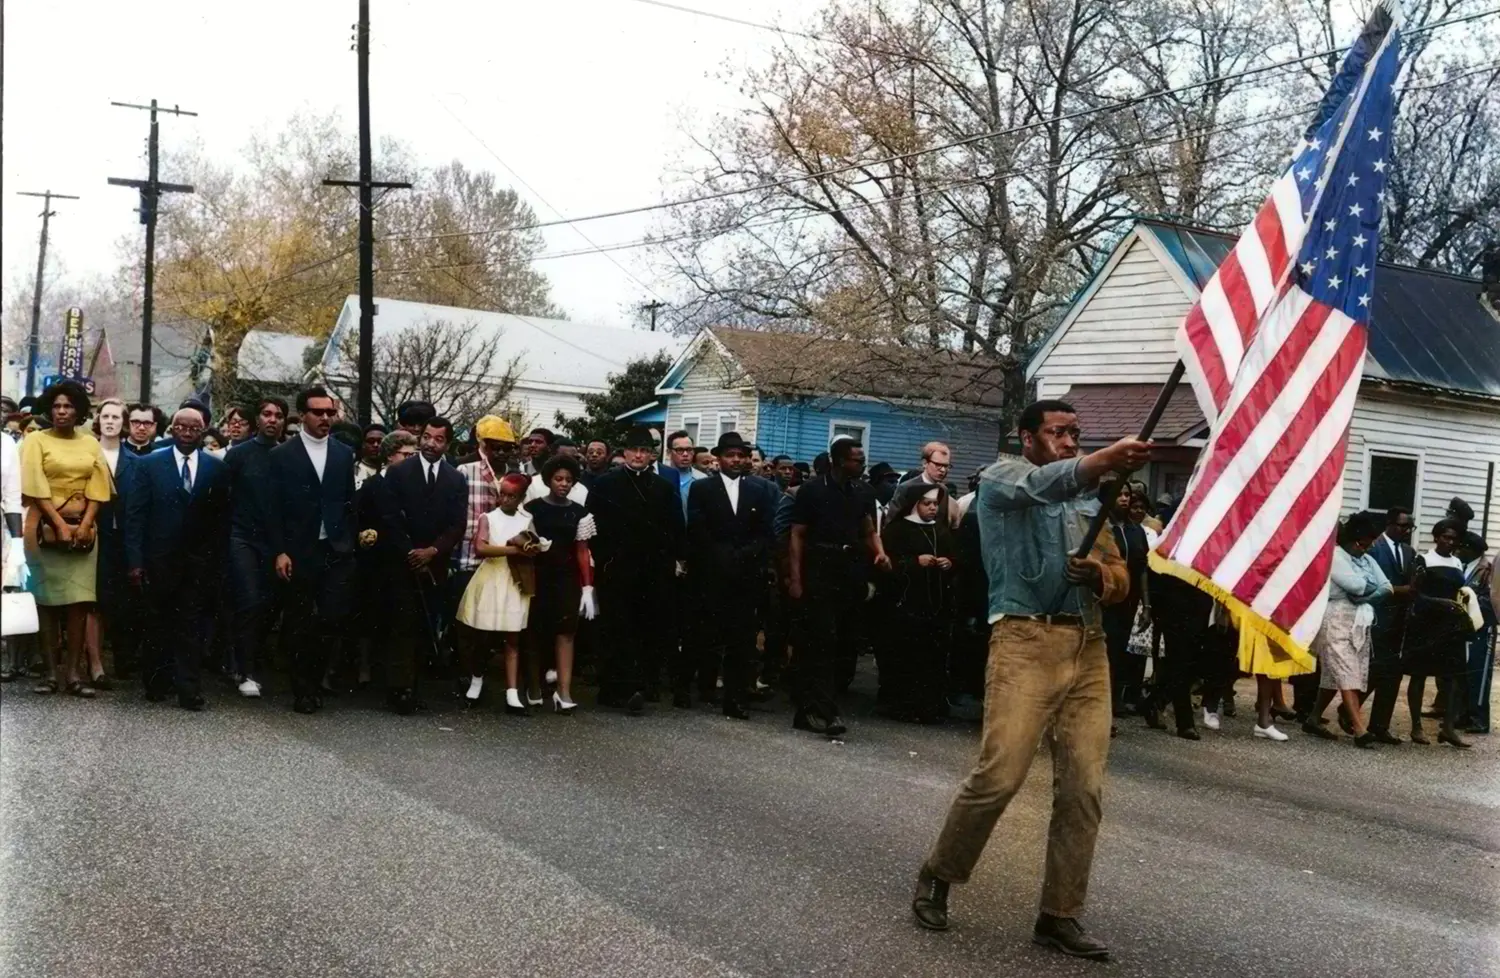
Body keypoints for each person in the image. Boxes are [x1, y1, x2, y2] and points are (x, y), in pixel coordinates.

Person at [911, 399, 1144, 960]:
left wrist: (1101, 576)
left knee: (1083, 790)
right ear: (1027, 438)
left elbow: (1121, 577)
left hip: (1088, 647)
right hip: (1024, 641)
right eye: (1058, 432)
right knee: (1000, 776)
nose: (1069, 441)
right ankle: (939, 873)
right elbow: (1041, 486)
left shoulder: (1093, 500)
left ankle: (1059, 915)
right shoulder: (1002, 479)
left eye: (1076, 433)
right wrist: (1101, 462)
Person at [123, 407, 228, 711]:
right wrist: (135, 561)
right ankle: (156, 682)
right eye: (180, 427)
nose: (186, 432)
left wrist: (216, 561)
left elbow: (221, 520)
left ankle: (189, 689)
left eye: (193, 428)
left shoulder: (215, 468)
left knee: (191, 626)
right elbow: (135, 516)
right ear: (171, 429)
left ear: (203, 431)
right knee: (157, 621)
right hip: (158, 559)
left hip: (198, 562)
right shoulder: (149, 464)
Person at [787, 437, 890, 738]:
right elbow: (797, 536)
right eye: (857, 460)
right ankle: (824, 711)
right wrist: (795, 579)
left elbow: (869, 528)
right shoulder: (812, 490)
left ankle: (808, 708)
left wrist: (879, 552)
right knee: (822, 640)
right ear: (838, 460)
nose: (862, 464)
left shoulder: (863, 491)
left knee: (844, 641)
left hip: (850, 570)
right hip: (819, 569)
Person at [266, 387, 358, 714]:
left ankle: (315, 678)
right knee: (299, 620)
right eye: (317, 412)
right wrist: (280, 551)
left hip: (336, 549)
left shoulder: (343, 453)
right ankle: (302, 689)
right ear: (303, 415)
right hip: (298, 550)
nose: (324, 418)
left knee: (332, 617)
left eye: (329, 413)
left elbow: (348, 502)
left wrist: (348, 542)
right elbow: (273, 509)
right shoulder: (281, 455)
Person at [20, 381, 113, 698]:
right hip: (43, 529)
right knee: (45, 602)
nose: (62, 411)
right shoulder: (35, 440)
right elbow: (33, 484)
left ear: (79, 411)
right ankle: (49, 673)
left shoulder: (90, 443)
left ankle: (74, 675)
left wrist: (86, 523)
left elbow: (99, 487)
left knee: (79, 603)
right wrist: (58, 523)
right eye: (57, 406)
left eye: (69, 406)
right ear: (50, 408)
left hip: (83, 531)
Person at [377, 415, 467, 712]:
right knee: (402, 624)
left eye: (438, 439)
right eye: (427, 436)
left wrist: (432, 551)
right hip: (402, 562)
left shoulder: (455, 479)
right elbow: (389, 518)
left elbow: (457, 525)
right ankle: (398, 690)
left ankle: (415, 687)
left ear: (447, 443)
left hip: (435, 563)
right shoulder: (400, 472)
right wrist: (412, 553)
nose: (430, 443)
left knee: (425, 625)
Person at [587, 425, 680, 713]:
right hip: (616, 569)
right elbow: (592, 527)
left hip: (652, 571)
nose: (638, 455)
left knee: (647, 627)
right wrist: (604, 561)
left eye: (644, 451)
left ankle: (640, 686)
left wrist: (671, 562)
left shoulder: (664, 488)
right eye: (633, 450)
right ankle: (613, 688)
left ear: (652, 455)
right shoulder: (605, 484)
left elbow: (675, 529)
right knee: (616, 628)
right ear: (624, 452)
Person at [685, 432, 776, 719]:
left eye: (741, 455)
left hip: (746, 574)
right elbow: (698, 529)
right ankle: (695, 687)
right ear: (719, 458)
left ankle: (735, 698)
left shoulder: (760, 490)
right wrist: (720, 556)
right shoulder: (703, 489)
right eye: (730, 455)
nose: (736, 460)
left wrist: (745, 555)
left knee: (742, 638)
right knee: (704, 633)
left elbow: (765, 531)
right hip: (711, 572)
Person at [1301, 511, 1392, 747]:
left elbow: (1386, 587)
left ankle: (1313, 718)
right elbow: (1356, 584)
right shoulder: (1336, 556)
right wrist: (1367, 589)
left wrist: (1365, 594)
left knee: (1334, 675)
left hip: (1358, 620)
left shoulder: (1367, 559)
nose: (1365, 549)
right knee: (1346, 672)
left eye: (1369, 544)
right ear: (1351, 539)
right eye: (1362, 543)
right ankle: (1360, 730)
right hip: (1335, 619)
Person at [456, 472, 540, 714]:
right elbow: (481, 547)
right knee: (483, 634)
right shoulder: (488, 518)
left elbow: (533, 545)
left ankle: (512, 692)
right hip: (491, 579)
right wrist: (514, 551)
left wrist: (533, 547)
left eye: (511, 496)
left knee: (512, 638)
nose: (504, 500)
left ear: (522, 497)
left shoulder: (527, 519)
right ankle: (477, 679)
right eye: (502, 494)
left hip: (514, 582)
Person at [223, 397, 287, 698]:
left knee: (269, 604)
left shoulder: (290, 456)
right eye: (266, 414)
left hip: (277, 542)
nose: (272, 420)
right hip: (241, 537)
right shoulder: (239, 455)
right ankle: (243, 670)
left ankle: (248, 660)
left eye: (278, 415)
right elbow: (222, 499)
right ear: (258, 419)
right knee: (247, 600)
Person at [878, 481, 957, 724]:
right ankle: (902, 706)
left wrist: (948, 563)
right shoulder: (897, 529)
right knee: (906, 657)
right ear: (914, 505)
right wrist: (914, 562)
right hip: (907, 605)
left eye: (936, 503)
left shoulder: (941, 530)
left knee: (931, 658)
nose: (933, 508)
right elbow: (887, 566)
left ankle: (929, 707)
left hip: (935, 605)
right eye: (928, 503)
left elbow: (956, 559)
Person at [524, 454, 596, 713]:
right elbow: (524, 542)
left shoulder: (579, 512)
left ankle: (563, 691)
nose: (563, 484)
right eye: (558, 479)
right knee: (533, 632)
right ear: (548, 480)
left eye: (569, 480)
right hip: (537, 575)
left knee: (566, 632)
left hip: (566, 578)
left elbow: (582, 551)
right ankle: (533, 686)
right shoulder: (532, 508)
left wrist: (587, 586)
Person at [1402, 519, 1473, 748]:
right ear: (1436, 537)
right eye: (1445, 537)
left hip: (1450, 628)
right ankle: (1416, 727)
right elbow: (1415, 594)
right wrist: (1441, 604)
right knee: (1420, 675)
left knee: (1453, 678)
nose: (1449, 542)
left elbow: (1459, 593)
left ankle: (1448, 728)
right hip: (1426, 625)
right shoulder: (1424, 560)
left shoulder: (1457, 563)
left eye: (1453, 538)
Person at [1363, 506, 1416, 742]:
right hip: (1377, 617)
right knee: (1375, 669)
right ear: (1390, 524)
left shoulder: (1409, 552)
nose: (1406, 530)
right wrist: (1398, 590)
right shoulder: (1374, 548)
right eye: (1403, 526)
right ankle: (1348, 710)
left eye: (1409, 527)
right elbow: (1369, 584)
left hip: (1400, 622)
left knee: (1393, 673)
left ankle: (1380, 725)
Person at [89, 398, 132, 686]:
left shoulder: (136, 461)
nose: (110, 421)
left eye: (116, 417)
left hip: (123, 537)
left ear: (123, 422)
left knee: (119, 600)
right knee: (92, 600)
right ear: (98, 420)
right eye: (105, 416)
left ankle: (123, 660)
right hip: (92, 534)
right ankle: (95, 665)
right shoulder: (87, 453)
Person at [1102, 478, 1148, 721]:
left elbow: (1142, 568)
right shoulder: (1102, 527)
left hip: (1129, 601)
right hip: (1105, 600)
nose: (1125, 498)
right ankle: (1103, 707)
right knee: (1104, 652)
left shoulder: (1135, 530)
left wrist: (1146, 604)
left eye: (1127, 494)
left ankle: (1114, 699)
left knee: (1119, 652)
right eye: (1119, 493)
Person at [1458, 531, 1493, 734]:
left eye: (1462, 547)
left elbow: (1491, 601)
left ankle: (1479, 719)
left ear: (1472, 550)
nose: (1458, 550)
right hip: (1464, 628)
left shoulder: (1486, 571)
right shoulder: (1463, 566)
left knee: (1479, 674)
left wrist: (1466, 602)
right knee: (1463, 673)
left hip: (1481, 628)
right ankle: (1464, 715)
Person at [901, 441, 961, 526]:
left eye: (946, 466)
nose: (943, 470)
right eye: (938, 464)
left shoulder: (944, 491)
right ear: (925, 463)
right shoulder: (906, 488)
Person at [355, 423, 387, 490]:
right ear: (363, 444)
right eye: (371, 441)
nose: (375, 445)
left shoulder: (391, 470)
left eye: (380, 441)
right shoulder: (353, 470)